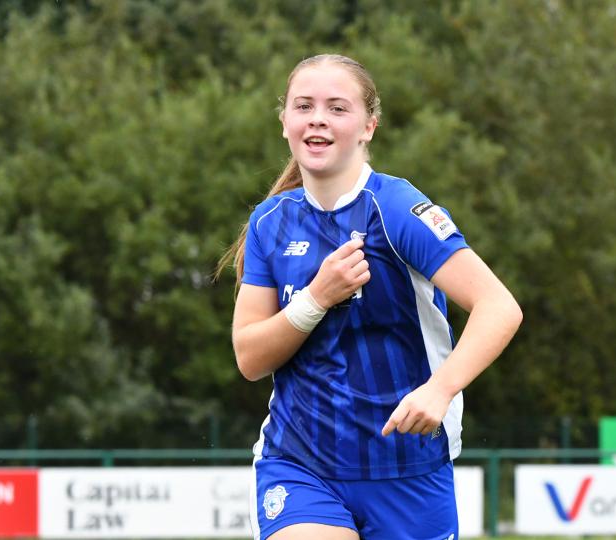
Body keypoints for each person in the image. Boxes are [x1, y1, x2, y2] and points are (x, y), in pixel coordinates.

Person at [216, 53, 522, 540]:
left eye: (338, 108)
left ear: (368, 127)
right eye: (304, 106)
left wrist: (439, 390)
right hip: (299, 463)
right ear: (285, 124)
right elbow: (250, 357)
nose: (318, 118)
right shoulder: (269, 222)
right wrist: (316, 298)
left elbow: (499, 307)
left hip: (408, 468)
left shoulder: (397, 208)